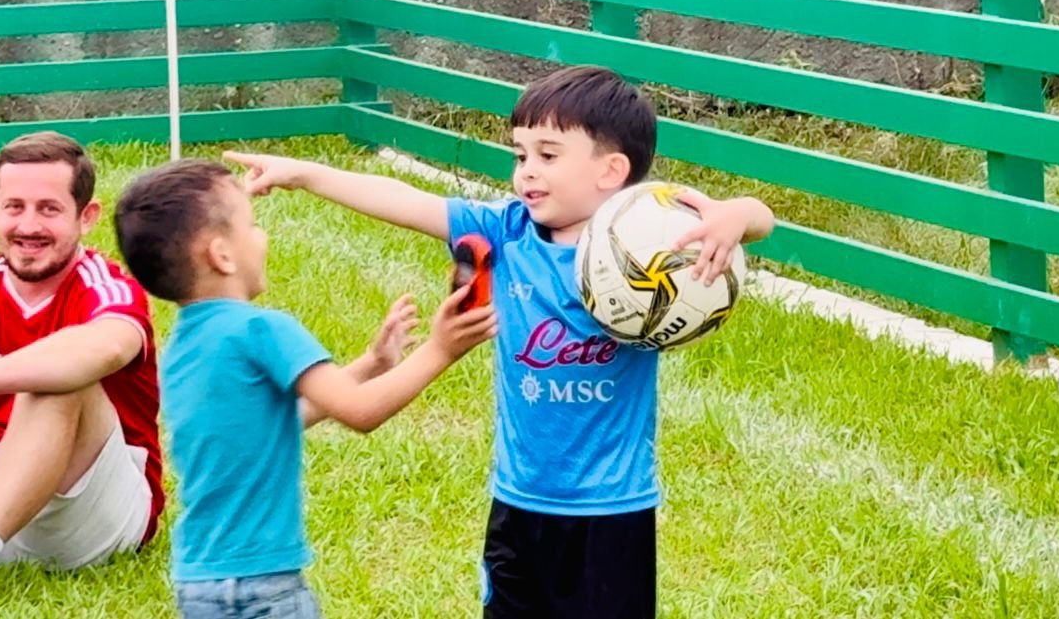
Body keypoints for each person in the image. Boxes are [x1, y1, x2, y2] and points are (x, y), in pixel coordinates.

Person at [223, 65, 775, 618]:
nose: (527, 170)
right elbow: (407, 201)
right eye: (520, 154)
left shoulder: (652, 246)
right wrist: (306, 174)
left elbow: (757, 220)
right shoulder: (507, 231)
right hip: (517, 501)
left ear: (612, 170)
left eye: (548, 155)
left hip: (613, 511)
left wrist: (736, 215)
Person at [113, 159, 497, 618]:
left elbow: (266, 426)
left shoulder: (183, 345)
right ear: (222, 255)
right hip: (265, 587)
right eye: (252, 226)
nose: (262, 237)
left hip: (199, 582)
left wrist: (371, 364)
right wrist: (441, 349)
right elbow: (361, 413)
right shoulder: (262, 329)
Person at [0, 131, 163, 572]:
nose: (28, 226)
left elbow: (107, 348)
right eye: (14, 207)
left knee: (60, 377)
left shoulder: (106, 287)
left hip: (88, 511)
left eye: (49, 209)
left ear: (86, 217)